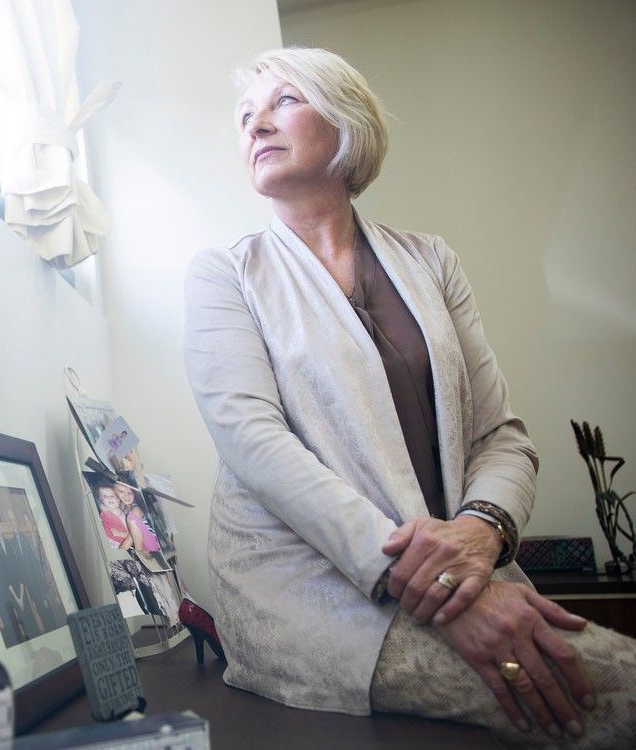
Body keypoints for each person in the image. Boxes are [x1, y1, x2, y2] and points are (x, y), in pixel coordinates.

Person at [183, 46, 636, 746]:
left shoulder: (432, 260)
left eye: (283, 102)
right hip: (307, 596)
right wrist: (445, 591)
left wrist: (482, 533)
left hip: (462, 567)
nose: (256, 125)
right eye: (246, 115)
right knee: (606, 689)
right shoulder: (225, 275)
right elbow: (251, 441)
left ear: (346, 123)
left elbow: (501, 437)